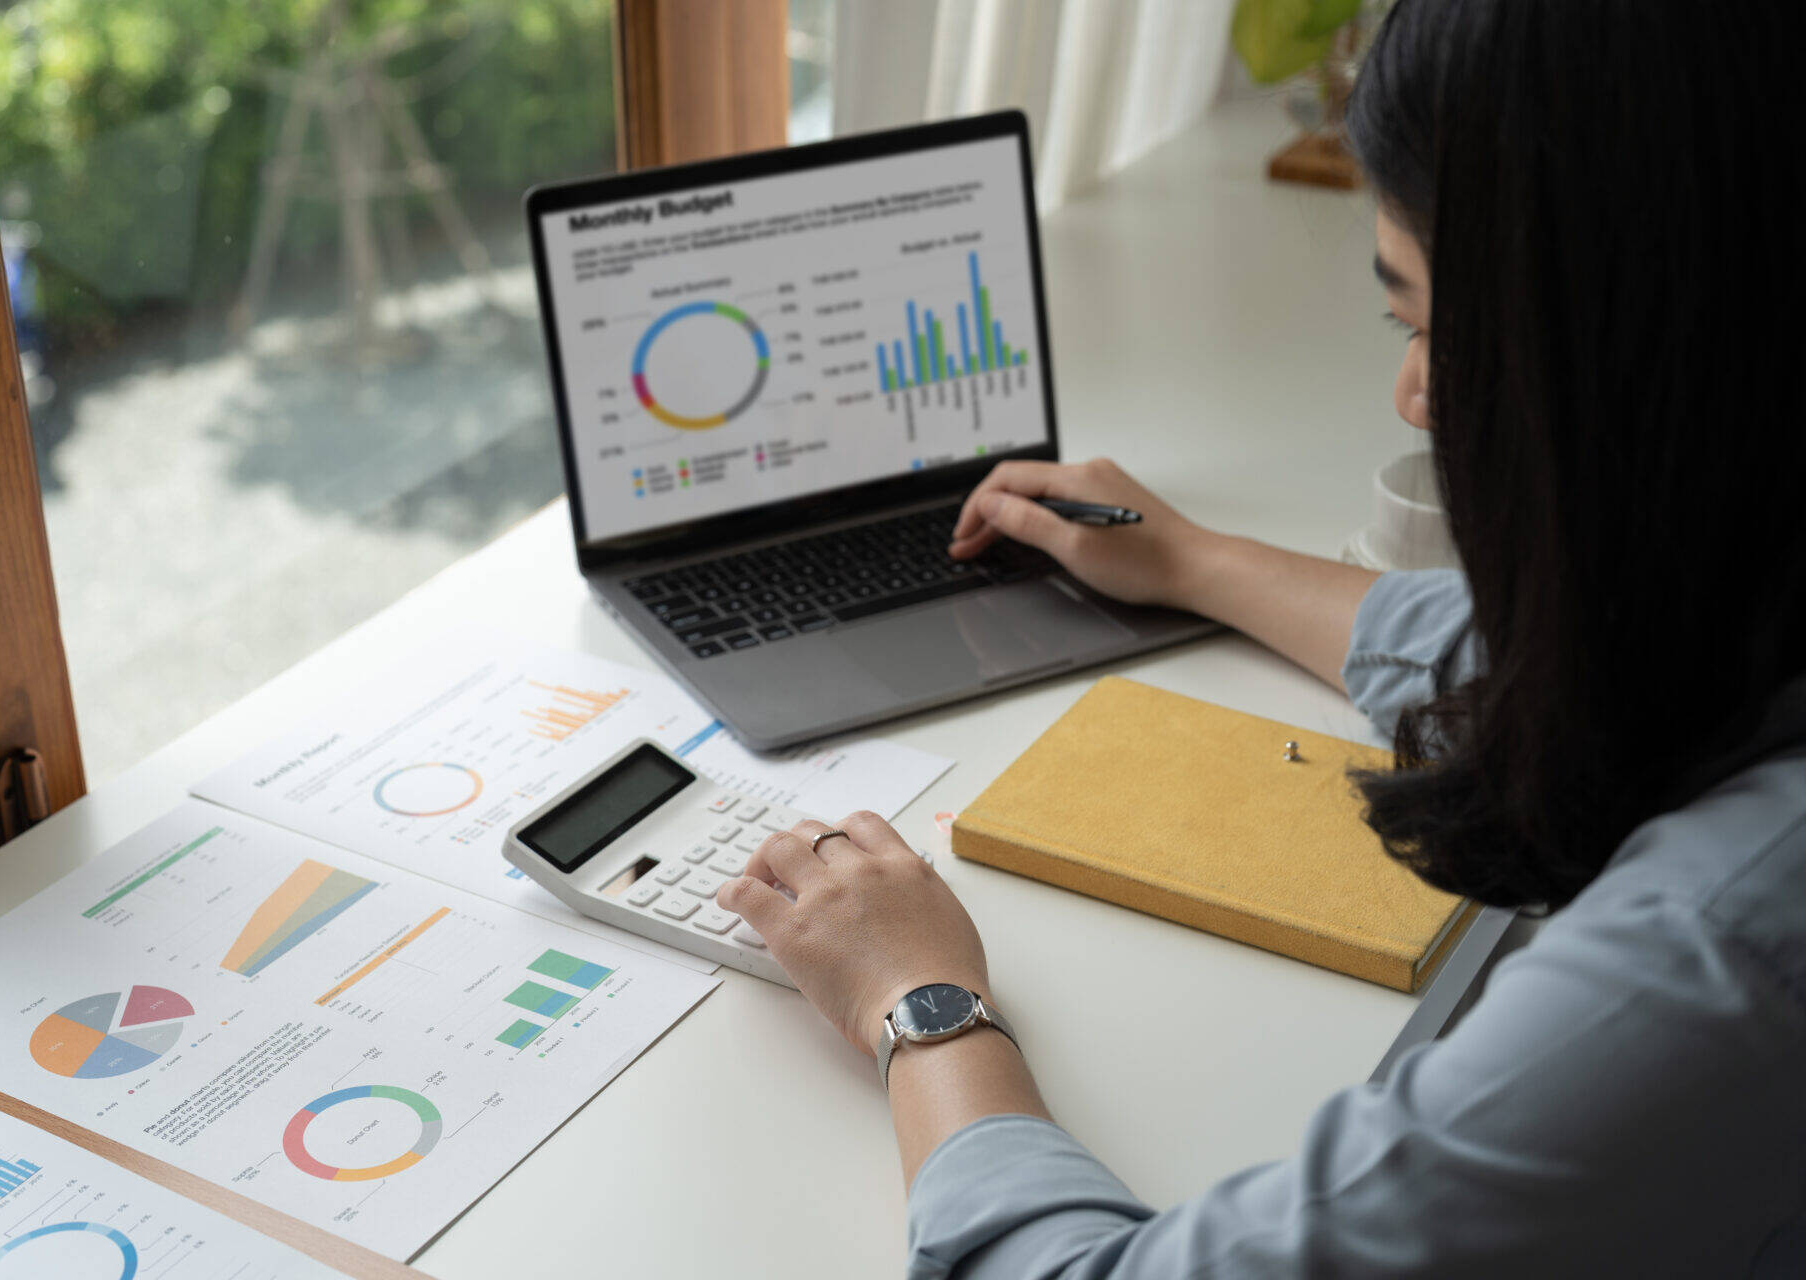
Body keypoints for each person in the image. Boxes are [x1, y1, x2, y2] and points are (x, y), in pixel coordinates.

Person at [713, 0, 1806, 1274]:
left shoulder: (1719, 956)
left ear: (1635, 357)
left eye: (1428, 326)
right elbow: (1562, 671)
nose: (1414, 393)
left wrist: (921, 1001)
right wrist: (1191, 560)